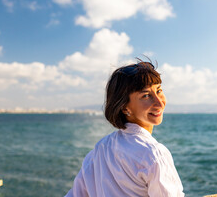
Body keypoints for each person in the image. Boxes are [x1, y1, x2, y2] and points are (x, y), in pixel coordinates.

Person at [65, 60, 184, 197]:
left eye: (159, 90)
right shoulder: (153, 154)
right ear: (124, 107)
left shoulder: (101, 148)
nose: (159, 102)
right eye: (146, 95)